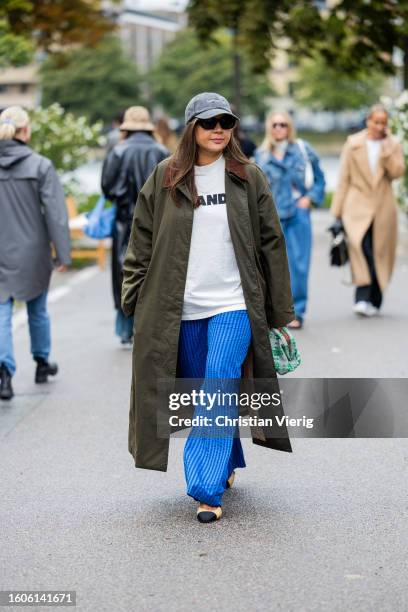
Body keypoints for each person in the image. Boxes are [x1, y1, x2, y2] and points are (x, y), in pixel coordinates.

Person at [121, 92, 295, 523]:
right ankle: (227, 458)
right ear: (192, 129)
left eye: (226, 121)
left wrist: (280, 307)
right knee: (205, 392)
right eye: (208, 122)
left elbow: (272, 241)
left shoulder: (247, 176)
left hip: (234, 303)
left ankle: (204, 486)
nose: (218, 129)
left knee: (218, 382)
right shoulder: (165, 176)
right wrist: (133, 295)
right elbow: (141, 240)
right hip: (181, 307)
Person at [0, 106, 71, 401]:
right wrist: (63, 253)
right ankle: (42, 363)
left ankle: (4, 373)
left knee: (2, 312)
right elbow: (56, 214)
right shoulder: (40, 165)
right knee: (37, 310)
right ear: (26, 131)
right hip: (33, 250)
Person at [101, 106, 169, 345]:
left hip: (124, 221)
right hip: (157, 222)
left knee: (124, 274)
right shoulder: (162, 151)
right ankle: (151, 327)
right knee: (155, 272)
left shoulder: (117, 152)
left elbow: (107, 189)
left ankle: (125, 330)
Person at [331, 104, 405, 316]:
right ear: (368, 121)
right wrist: (336, 212)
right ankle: (362, 297)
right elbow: (343, 178)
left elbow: (398, 172)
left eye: (383, 122)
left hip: (383, 207)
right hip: (356, 206)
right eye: (376, 122)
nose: (380, 126)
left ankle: (376, 298)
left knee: (380, 252)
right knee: (361, 248)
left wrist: (386, 152)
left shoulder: (393, 144)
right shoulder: (353, 144)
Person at [255, 111, 325, 329]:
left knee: (299, 266)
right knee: (271, 265)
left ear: (290, 127)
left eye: (283, 124)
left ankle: (298, 311)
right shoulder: (261, 155)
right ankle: (275, 312)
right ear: (269, 127)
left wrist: (310, 199)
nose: (279, 128)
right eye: (275, 124)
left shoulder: (303, 150)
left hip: (297, 215)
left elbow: (320, 180)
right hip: (271, 217)